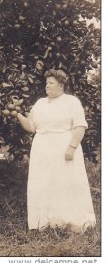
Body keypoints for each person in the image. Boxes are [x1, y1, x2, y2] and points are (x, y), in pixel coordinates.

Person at [17, 69, 96, 232]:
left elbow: (80, 125)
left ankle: (70, 222)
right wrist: (16, 114)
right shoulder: (40, 103)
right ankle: (45, 222)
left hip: (63, 147)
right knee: (44, 182)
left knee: (65, 182)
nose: (47, 86)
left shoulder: (71, 101)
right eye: (46, 83)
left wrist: (72, 147)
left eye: (51, 83)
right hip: (42, 149)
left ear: (61, 85)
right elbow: (31, 127)